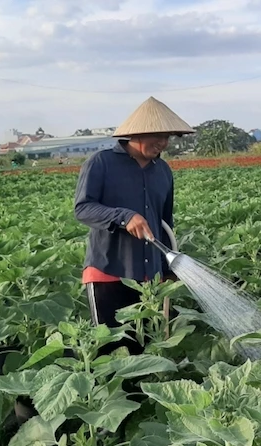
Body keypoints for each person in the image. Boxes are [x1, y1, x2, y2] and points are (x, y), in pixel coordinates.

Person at [74, 96, 194, 355]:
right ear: (136, 133)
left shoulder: (162, 170)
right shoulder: (101, 163)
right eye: (157, 136)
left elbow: (165, 223)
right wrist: (123, 216)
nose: (163, 143)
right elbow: (83, 208)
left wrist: (167, 269)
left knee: (146, 350)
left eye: (167, 137)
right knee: (111, 350)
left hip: (149, 278)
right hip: (109, 271)